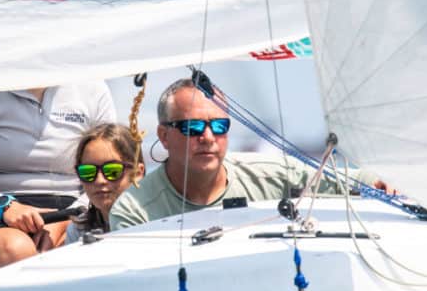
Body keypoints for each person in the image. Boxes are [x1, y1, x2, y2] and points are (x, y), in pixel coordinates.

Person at [109, 78, 360, 229]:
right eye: (192, 127)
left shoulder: (270, 174)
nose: (207, 137)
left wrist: (386, 181)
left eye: (219, 127)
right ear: (164, 136)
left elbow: (351, 182)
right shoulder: (133, 212)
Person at [0, 84, 116, 277]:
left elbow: (110, 168)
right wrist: (6, 207)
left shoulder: (92, 87)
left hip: (77, 215)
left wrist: (71, 220)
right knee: (16, 249)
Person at [65, 123, 145, 243]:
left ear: (137, 173)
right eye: (88, 172)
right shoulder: (77, 231)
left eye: (112, 171)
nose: (99, 180)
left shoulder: (158, 223)